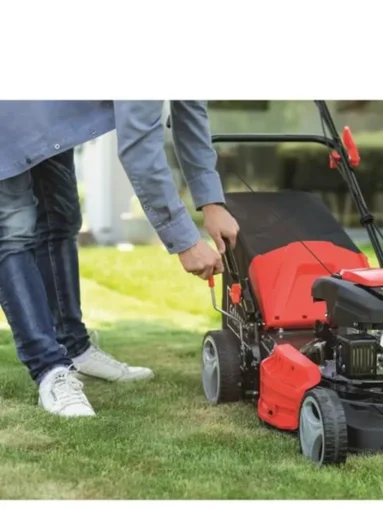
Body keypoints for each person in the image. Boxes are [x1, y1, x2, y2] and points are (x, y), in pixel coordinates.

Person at [0, 101, 239, 417]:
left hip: (46, 109)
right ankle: (50, 369)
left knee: (61, 218)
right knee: (13, 230)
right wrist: (185, 242)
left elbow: (190, 111)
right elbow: (139, 144)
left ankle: (74, 348)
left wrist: (211, 203)